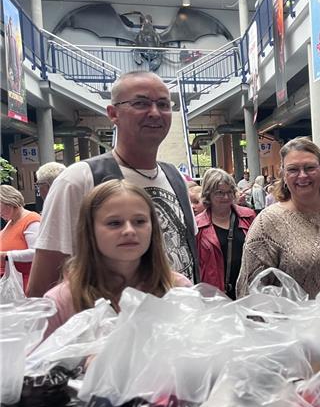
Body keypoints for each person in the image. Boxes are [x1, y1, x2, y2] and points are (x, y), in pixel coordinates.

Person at [27, 71, 198, 298]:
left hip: (174, 324)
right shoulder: (79, 179)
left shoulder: (174, 176)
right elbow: (42, 287)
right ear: (113, 113)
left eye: (164, 104)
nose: (155, 113)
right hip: (104, 326)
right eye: (141, 103)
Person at [43, 180, 192, 338]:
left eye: (139, 221)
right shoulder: (60, 302)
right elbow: (39, 361)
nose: (129, 230)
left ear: (153, 228)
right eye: (114, 223)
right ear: (90, 230)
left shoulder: (178, 289)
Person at [236, 137, 320, 298]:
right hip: (294, 322)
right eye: (293, 169)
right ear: (283, 174)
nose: (302, 175)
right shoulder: (267, 222)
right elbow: (248, 292)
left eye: (310, 167)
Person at [196, 169, 256, 299]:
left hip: (247, 292)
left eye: (229, 192)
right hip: (215, 296)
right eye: (220, 193)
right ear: (208, 194)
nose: (226, 197)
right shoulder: (197, 226)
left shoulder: (248, 217)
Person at [0, 185, 41, 291]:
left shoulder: (31, 220)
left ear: (11, 203)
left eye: (1, 209)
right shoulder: (11, 221)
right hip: (10, 282)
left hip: (23, 283)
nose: (0, 214)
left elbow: (36, 253)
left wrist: (6, 255)